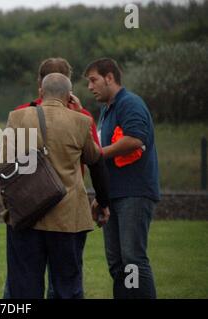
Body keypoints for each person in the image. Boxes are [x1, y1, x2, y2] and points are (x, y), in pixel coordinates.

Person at [3, 73, 110, 299]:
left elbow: (4, 168)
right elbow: (96, 160)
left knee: (24, 288)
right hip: (68, 218)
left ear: (41, 92)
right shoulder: (80, 121)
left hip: (26, 217)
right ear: (68, 95)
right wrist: (103, 201)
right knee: (67, 288)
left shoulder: (18, 117)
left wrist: (11, 207)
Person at [84, 58, 160, 299]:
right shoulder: (107, 110)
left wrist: (98, 153)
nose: (89, 86)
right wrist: (102, 196)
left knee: (133, 260)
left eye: (93, 80)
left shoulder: (130, 103)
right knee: (117, 263)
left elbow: (135, 139)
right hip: (115, 195)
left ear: (110, 78)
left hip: (134, 193)